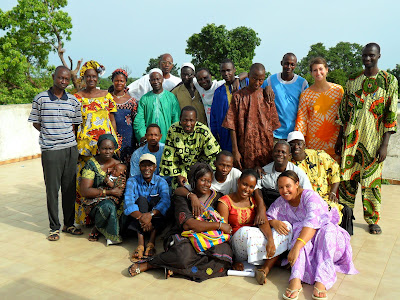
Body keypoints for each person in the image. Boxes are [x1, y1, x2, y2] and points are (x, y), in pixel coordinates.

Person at [127, 163, 233, 282]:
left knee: (224, 255)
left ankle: (174, 268)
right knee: (183, 255)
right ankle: (151, 264)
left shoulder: (217, 197)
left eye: (209, 181)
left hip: (209, 237)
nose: (206, 185)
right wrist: (218, 225)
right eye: (203, 180)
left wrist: (219, 226)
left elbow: (223, 222)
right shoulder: (182, 198)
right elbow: (188, 224)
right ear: (194, 180)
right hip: (185, 236)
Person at [335, 43, 398, 235]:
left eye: (371, 55)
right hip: (351, 141)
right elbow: (344, 112)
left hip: (374, 142)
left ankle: (372, 220)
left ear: (379, 55)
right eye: (364, 55)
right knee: (347, 180)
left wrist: (385, 145)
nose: (367, 59)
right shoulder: (352, 80)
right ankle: (345, 217)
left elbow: (391, 114)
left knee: (371, 182)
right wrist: (340, 139)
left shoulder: (389, 81)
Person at [267, 171, 358, 300]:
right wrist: (274, 222)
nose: (284, 190)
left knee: (326, 231)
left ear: (297, 184)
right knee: (299, 230)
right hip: (308, 243)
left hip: (329, 242)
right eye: (280, 187)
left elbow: (312, 223)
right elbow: (268, 215)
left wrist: (296, 248)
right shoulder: (281, 201)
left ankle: (322, 281)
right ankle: (296, 280)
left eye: (288, 186)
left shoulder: (310, 197)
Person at [28, 66, 84, 241]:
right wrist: (49, 133)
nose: (64, 82)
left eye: (67, 79)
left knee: (69, 189)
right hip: (51, 150)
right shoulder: (40, 98)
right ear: (53, 77)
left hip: (70, 149)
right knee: (52, 190)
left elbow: (75, 125)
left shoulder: (73, 100)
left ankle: (69, 224)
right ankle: (54, 227)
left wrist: (66, 138)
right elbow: (35, 122)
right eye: (60, 78)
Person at [217, 169, 292, 285]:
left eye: (251, 187)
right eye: (244, 184)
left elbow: (262, 222)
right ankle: (275, 261)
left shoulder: (254, 202)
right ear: (238, 181)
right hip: (237, 245)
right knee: (246, 231)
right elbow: (223, 232)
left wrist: (271, 240)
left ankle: (264, 265)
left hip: (252, 242)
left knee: (286, 226)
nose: (247, 189)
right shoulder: (225, 202)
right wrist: (232, 261)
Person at [74, 60, 119, 225]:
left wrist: (115, 143)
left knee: (104, 181)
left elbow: (112, 120)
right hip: (85, 148)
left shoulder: (107, 96)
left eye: (94, 76)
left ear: (98, 78)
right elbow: (74, 124)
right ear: (84, 78)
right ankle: (85, 219)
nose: (91, 79)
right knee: (84, 182)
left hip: (105, 147)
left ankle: (103, 218)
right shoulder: (77, 97)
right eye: (88, 76)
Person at [288, 131, 354, 233]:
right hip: (303, 202)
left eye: (299, 143)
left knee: (330, 213)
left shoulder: (319, 156)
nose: (296, 147)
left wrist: (332, 192)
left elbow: (335, 170)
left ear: (304, 145)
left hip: (324, 198)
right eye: (292, 144)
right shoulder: (288, 164)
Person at [222, 63, 280, 172]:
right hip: (244, 148)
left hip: (264, 149)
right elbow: (231, 125)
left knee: (264, 178)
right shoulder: (238, 97)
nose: (257, 83)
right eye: (254, 79)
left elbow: (273, 126)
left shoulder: (267, 96)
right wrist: (235, 150)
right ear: (248, 75)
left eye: (261, 80)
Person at [79, 134, 125, 245]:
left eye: (110, 148)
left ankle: (101, 228)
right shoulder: (92, 165)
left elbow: (122, 186)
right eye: (104, 148)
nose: (107, 151)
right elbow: (85, 191)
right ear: (98, 149)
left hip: (117, 199)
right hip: (95, 202)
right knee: (108, 207)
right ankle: (103, 230)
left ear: (114, 149)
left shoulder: (119, 165)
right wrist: (109, 192)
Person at [160, 106, 221, 189]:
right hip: (181, 170)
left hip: (200, 169)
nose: (188, 124)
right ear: (180, 119)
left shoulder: (203, 131)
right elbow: (168, 156)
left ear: (196, 120)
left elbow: (215, 155)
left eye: (191, 120)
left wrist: (206, 173)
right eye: (185, 120)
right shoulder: (173, 130)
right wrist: (178, 175)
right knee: (179, 192)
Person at [295, 57, 343, 161]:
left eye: (321, 69)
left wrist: (343, 137)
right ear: (311, 73)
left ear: (327, 70)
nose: (318, 73)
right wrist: (300, 142)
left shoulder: (338, 90)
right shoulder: (306, 94)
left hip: (335, 142)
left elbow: (344, 116)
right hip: (313, 143)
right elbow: (301, 120)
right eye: (315, 70)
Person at [124, 153, 170, 261]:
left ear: (155, 167)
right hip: (139, 218)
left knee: (158, 203)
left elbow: (166, 201)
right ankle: (141, 243)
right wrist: (143, 218)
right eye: (144, 165)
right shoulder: (132, 181)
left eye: (150, 166)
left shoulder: (161, 181)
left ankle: (151, 241)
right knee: (141, 200)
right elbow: (128, 202)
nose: (147, 169)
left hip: (155, 218)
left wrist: (150, 215)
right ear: (139, 167)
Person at [262, 53, 308, 140]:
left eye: (292, 64)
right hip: (274, 134)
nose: (289, 67)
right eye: (286, 63)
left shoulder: (302, 83)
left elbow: (306, 107)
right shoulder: (270, 81)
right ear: (281, 63)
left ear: (295, 65)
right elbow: (257, 91)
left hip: (294, 134)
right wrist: (266, 88)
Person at [133, 68, 181, 144]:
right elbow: (139, 120)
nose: (156, 82)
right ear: (150, 81)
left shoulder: (171, 98)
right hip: (149, 141)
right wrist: (143, 136)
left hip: (168, 140)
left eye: (158, 79)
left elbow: (176, 118)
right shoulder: (145, 99)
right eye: (153, 80)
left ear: (162, 80)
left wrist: (173, 136)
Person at [258, 141, 312, 207]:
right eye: (277, 151)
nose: (280, 154)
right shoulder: (263, 171)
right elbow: (256, 187)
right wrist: (261, 208)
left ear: (289, 156)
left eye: (283, 152)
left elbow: (308, 194)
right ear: (272, 153)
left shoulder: (298, 173)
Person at [210, 59, 249, 151]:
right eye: (223, 71)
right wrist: (215, 136)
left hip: (244, 131)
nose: (226, 73)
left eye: (228, 70)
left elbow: (251, 73)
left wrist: (238, 78)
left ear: (234, 70)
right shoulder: (218, 92)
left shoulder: (245, 83)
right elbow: (214, 116)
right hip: (225, 135)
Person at [110, 68, 138, 166]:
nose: (119, 83)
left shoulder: (132, 101)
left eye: (121, 81)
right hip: (111, 137)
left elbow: (135, 121)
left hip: (128, 139)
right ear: (112, 81)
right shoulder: (107, 99)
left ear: (125, 82)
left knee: (128, 165)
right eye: (116, 80)